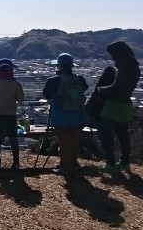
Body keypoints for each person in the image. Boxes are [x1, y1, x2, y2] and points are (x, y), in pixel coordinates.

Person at [96, 41, 140, 173]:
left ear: (118, 53)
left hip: (115, 104)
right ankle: (125, 163)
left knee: (105, 133)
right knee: (123, 134)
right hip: (126, 104)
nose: (112, 57)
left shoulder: (125, 66)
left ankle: (110, 163)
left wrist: (102, 89)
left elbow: (117, 87)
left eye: (112, 54)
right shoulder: (134, 65)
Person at [42, 53, 88, 175]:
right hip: (77, 114)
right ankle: (74, 163)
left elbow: (46, 94)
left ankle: (65, 166)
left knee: (63, 141)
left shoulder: (54, 80)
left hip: (61, 114)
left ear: (59, 66)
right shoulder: (80, 79)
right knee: (73, 139)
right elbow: (84, 89)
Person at [0, 58, 25, 171]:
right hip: (11, 114)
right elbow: (21, 99)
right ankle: (16, 163)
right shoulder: (16, 83)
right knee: (13, 138)